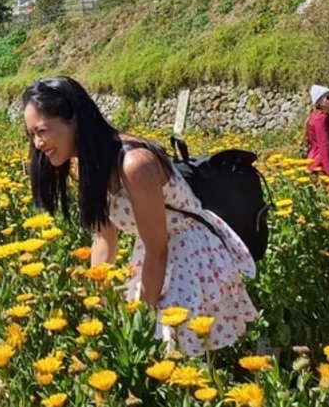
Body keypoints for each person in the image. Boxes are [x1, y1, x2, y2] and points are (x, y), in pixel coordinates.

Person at [22, 77, 257, 356]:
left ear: (73, 119)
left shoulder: (135, 165)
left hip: (189, 253)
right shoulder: (89, 165)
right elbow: (103, 238)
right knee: (154, 347)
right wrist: (99, 302)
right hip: (151, 255)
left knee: (176, 350)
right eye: (31, 135)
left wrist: (140, 321)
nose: (37, 143)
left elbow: (159, 249)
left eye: (42, 131)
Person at [306, 84, 329, 180]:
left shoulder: (325, 117)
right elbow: (325, 145)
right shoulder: (320, 119)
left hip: (323, 162)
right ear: (319, 102)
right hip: (322, 164)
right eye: (327, 98)